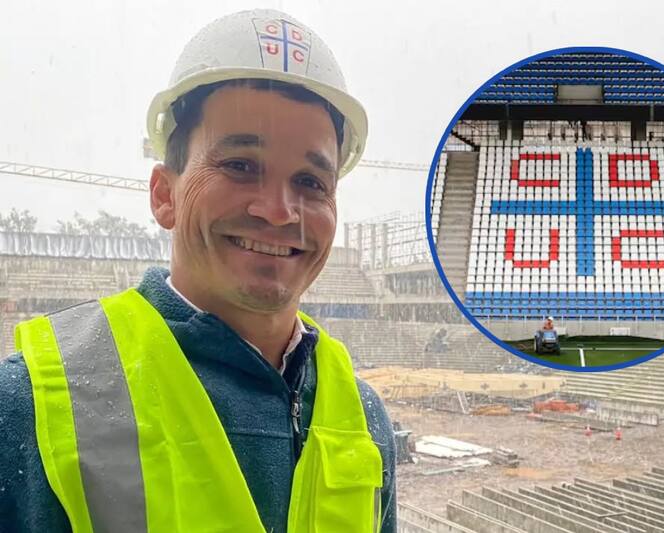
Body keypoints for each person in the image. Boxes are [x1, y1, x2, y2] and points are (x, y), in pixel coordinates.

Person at [0, 9, 396, 533]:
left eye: (310, 181)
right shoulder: (33, 400)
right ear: (165, 195)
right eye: (239, 165)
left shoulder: (364, 417)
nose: (280, 210)